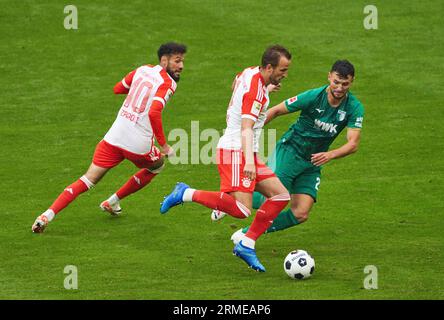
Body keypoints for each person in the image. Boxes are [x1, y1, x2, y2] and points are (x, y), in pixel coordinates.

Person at [159, 45, 292, 272]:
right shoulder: (256, 93)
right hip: (236, 151)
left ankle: (246, 243)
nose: (285, 74)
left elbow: (234, 85)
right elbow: (246, 127)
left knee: (280, 196)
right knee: (241, 210)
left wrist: (267, 88)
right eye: (282, 69)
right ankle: (185, 193)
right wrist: (249, 161)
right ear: (269, 67)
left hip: (243, 150)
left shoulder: (250, 72)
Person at [31, 42, 187, 233]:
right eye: (177, 61)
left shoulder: (142, 70)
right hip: (138, 144)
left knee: (87, 180)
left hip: (114, 137)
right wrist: (164, 145)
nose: (181, 66)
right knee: (158, 165)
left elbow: (117, 88)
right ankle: (113, 201)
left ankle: (46, 215)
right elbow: (154, 112)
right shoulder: (168, 83)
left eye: (182, 62)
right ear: (164, 60)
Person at [214, 60, 364, 243]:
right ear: (329, 77)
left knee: (301, 212)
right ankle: (230, 200)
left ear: (352, 81)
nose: (339, 88)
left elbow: (353, 143)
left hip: (313, 162)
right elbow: (277, 110)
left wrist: (330, 154)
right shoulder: (313, 97)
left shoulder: (354, 107)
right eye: (336, 82)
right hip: (290, 150)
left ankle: (245, 232)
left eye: (345, 84)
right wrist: (250, 130)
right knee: (269, 200)